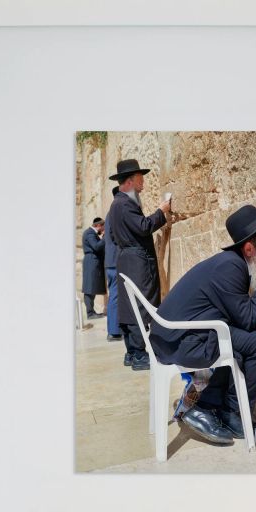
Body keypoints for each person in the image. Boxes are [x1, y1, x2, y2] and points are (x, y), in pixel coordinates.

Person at [149, 204, 256, 445]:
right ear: (249, 248)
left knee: (242, 346)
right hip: (181, 343)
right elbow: (248, 319)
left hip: (177, 336)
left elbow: (240, 315)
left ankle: (221, 408)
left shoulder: (229, 263)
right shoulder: (231, 267)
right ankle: (214, 410)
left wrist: (253, 315)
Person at [105, 159, 172, 370]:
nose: (143, 184)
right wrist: (161, 211)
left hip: (126, 258)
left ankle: (132, 353)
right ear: (130, 181)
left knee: (129, 305)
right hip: (136, 262)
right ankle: (139, 354)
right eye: (140, 180)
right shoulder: (125, 204)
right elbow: (143, 227)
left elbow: (115, 236)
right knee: (139, 305)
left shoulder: (117, 205)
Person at [104, 187, 122, 341]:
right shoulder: (114, 212)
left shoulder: (109, 213)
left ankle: (114, 329)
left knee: (114, 296)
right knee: (115, 296)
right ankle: (114, 332)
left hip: (110, 261)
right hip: (115, 261)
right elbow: (116, 236)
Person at [81, 218, 106, 318]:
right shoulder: (90, 233)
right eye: (103, 227)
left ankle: (91, 312)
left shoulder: (90, 233)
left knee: (92, 287)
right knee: (89, 288)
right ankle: (90, 313)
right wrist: (105, 237)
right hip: (91, 262)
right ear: (98, 226)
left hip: (92, 261)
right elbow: (96, 246)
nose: (103, 229)